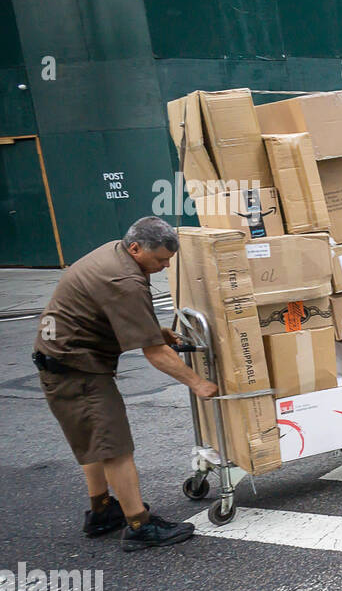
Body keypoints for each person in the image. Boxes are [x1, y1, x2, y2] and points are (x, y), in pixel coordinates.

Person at [33, 216, 219, 551]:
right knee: (116, 447)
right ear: (136, 248)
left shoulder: (113, 253)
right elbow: (156, 354)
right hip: (77, 368)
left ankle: (102, 510)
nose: (163, 267)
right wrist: (198, 383)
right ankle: (139, 525)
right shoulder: (125, 279)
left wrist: (152, 329)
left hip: (58, 362)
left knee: (94, 441)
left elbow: (111, 313)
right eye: (160, 259)